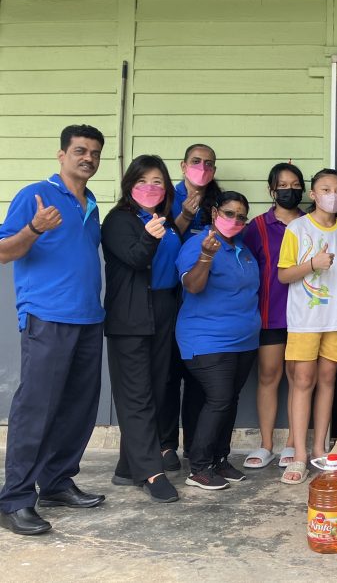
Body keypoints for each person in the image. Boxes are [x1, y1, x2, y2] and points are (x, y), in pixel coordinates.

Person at [0, 125, 106, 536]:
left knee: (78, 408)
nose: (88, 159)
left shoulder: (92, 203)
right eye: (80, 151)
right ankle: (16, 499)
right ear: (61, 154)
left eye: (95, 153)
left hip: (87, 318)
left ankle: (57, 483)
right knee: (37, 408)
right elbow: (5, 251)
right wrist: (35, 228)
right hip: (47, 316)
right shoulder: (34, 195)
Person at [102, 155, 182, 504]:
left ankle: (126, 466)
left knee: (156, 389)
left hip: (164, 310)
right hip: (130, 314)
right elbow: (134, 259)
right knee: (136, 394)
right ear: (129, 185)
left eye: (158, 182)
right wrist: (150, 237)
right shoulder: (118, 220)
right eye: (143, 181)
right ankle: (151, 471)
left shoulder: (166, 222)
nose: (151, 188)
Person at [175, 191, 260, 490]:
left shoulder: (243, 249)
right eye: (228, 213)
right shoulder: (198, 245)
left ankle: (219, 459)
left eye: (240, 216)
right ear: (214, 214)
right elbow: (193, 286)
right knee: (219, 399)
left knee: (229, 401)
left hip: (244, 342)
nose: (234, 220)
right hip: (208, 340)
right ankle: (198, 467)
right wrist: (206, 257)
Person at [277, 169, 337, 484]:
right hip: (305, 320)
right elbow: (283, 275)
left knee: (327, 380)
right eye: (325, 189)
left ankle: (320, 448)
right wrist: (313, 264)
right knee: (303, 380)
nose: (332, 195)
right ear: (313, 194)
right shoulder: (296, 228)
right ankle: (298, 455)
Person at [160, 143, 222, 470]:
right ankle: (166, 444)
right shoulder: (165, 196)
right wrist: (184, 213)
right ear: (183, 165)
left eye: (209, 163)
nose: (203, 167)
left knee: (198, 375)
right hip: (170, 293)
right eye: (197, 161)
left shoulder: (217, 201)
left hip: (203, 295)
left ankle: (195, 445)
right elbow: (164, 241)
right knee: (170, 374)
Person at [242, 163, 306, 470]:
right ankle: (266, 444)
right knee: (268, 376)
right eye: (283, 185)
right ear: (272, 190)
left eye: (296, 185)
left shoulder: (312, 223)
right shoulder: (256, 226)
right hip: (269, 313)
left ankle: (293, 443)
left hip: (305, 316)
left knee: (298, 378)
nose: (290, 190)